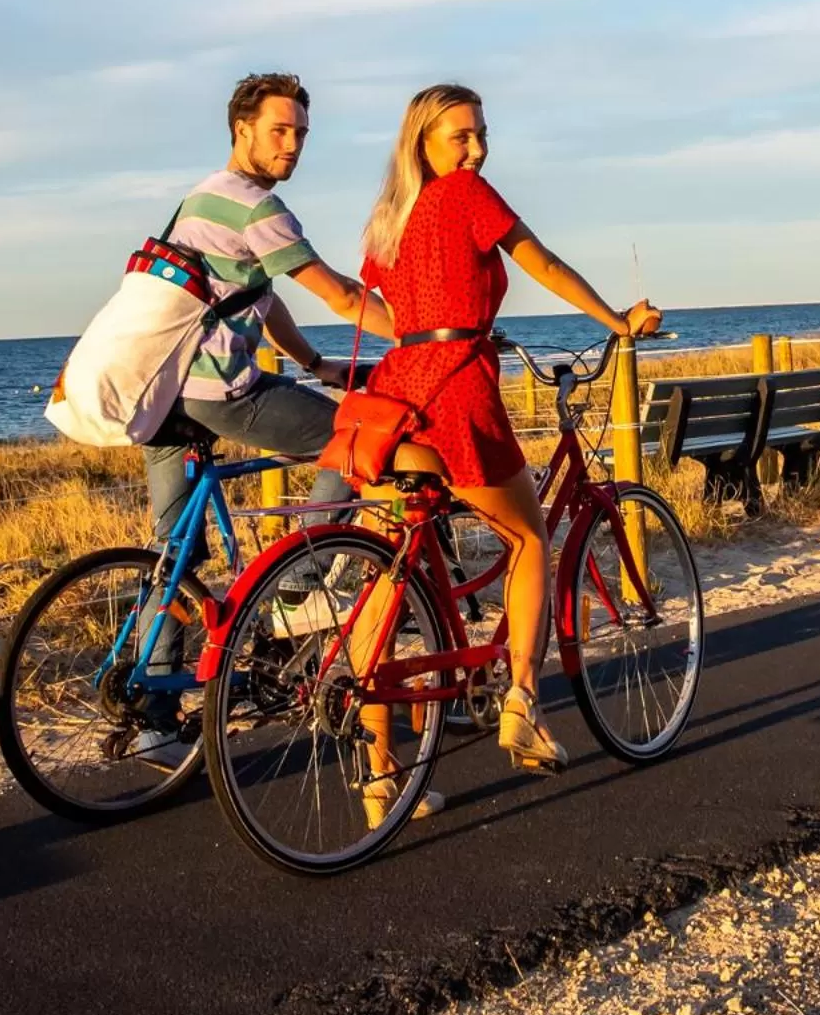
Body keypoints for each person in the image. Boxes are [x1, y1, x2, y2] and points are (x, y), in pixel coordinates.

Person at [354, 83, 658, 789]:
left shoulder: (386, 218)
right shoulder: (464, 197)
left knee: (385, 564)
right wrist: (615, 321)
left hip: (396, 389)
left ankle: (380, 775)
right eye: (461, 136)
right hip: (456, 385)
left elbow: (386, 302)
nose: (478, 150)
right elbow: (540, 262)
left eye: (482, 134)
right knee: (527, 539)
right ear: (423, 141)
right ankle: (522, 698)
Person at [136, 73, 393, 756]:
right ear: (241, 129)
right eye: (280, 131)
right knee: (357, 432)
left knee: (173, 555)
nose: (293, 146)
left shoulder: (200, 199)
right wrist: (429, 330)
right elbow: (338, 293)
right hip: (219, 391)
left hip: (160, 392)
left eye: (302, 134)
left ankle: (148, 714)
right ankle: (297, 594)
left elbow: (257, 294)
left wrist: (312, 363)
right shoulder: (257, 206)